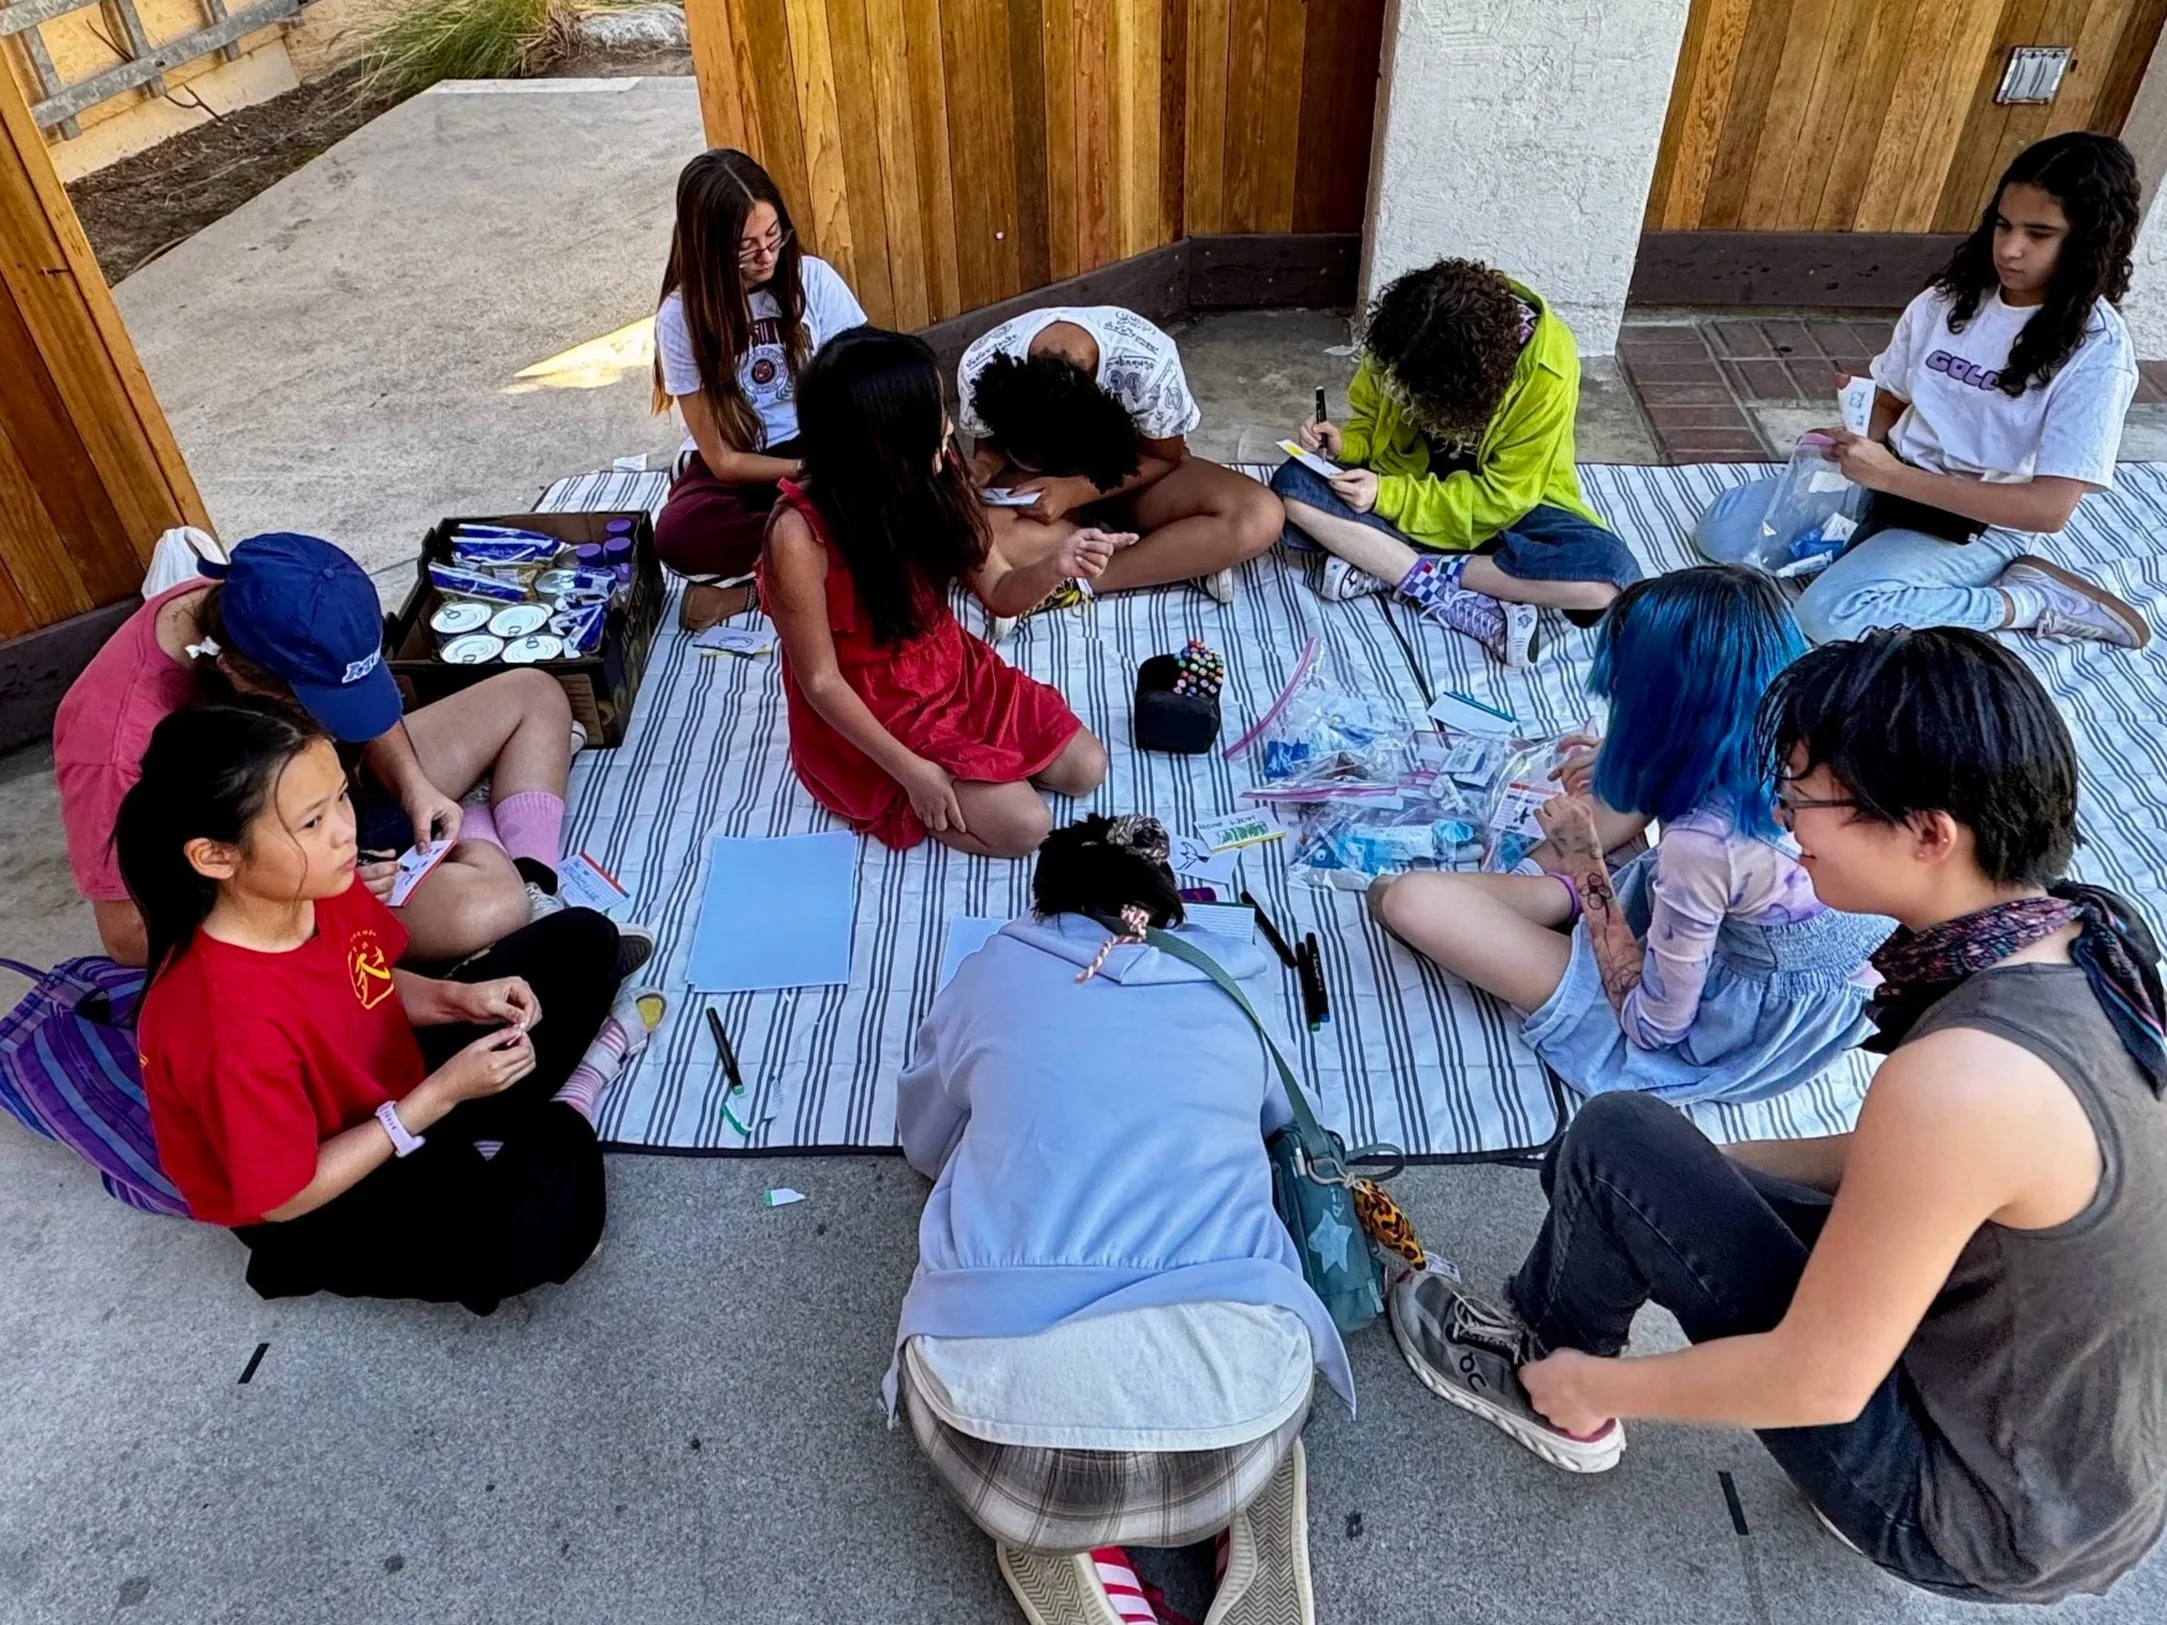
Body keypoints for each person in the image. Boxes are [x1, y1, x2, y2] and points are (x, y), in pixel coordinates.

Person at [1390, 628, 2167, 1603]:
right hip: (2073, 1462)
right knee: (1625, 1153)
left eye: (1806, 797)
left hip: (1971, 1509)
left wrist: (1607, 1387)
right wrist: (1679, 1181)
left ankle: (1549, 1382)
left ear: (1929, 832)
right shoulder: (2082, 934)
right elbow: (1889, 1164)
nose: (1787, 820)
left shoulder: (1962, 1077)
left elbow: (1818, 1382)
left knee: (1615, 1133)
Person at [890, 814, 1351, 1625]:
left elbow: (923, 1141)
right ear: (1167, 911)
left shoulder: (992, 967)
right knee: (1257, 1372)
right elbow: (1278, 1116)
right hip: (1233, 1430)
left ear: (1045, 904)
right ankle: (1243, 1516)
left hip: (992, 1444)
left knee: (970, 1190)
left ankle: (1066, 1547)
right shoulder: (1234, 973)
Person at [119, 703, 662, 1312]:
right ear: (217, 856)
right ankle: (572, 1097)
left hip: (393, 1085)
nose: (347, 832)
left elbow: (369, 979)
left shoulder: (319, 881)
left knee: (585, 940)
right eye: (311, 821)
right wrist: (441, 1097)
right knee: (519, 1237)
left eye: (342, 800)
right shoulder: (219, 1025)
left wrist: (456, 999)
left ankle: (505, 1132)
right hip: (326, 1186)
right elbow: (284, 1196)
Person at [1374, 566, 1886, 1105]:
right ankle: (1554, 894)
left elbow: (1652, 1026)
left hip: (1721, 1026)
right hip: (1791, 956)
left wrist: (1587, 868)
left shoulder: (1704, 846)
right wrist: (1632, 764)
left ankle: (1563, 895)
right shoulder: (1805, 739)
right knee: (1415, 893)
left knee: (1399, 898)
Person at [51, 532, 644, 971]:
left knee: (535, 692)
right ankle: (498, 868)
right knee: (487, 909)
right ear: (235, 674)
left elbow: (366, 711)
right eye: (320, 709)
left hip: (331, 799)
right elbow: (128, 935)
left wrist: (415, 785)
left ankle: (535, 883)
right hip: (283, 868)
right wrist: (314, 891)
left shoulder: (246, 604)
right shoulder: (114, 745)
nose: (339, 727)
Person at [1696, 132, 2147, 649]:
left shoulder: (2097, 350)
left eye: (2039, 234)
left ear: (2089, 241)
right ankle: (1869, 552)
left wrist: (1892, 477)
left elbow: (2049, 509)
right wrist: (1855, 433)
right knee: (1724, 533)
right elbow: (1893, 401)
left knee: (1829, 616)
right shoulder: (1950, 298)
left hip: (1976, 521)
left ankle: (2027, 600)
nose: (2011, 248)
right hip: (1887, 480)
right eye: (2003, 225)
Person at [761, 326, 1109, 858]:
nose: (948, 428)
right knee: (1025, 828)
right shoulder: (799, 534)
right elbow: (820, 681)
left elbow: (996, 588)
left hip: (949, 669)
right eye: (932, 415)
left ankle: (974, 775)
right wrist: (915, 773)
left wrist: (1058, 565)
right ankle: (919, 788)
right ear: (882, 442)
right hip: (870, 707)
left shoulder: (935, 471)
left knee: (1087, 769)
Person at [1274, 259, 1642, 668]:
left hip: (1507, 515)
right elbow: (1370, 422)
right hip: (1407, 489)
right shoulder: (1405, 332)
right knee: (1291, 488)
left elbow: (1504, 499)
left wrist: (1386, 496)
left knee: (1609, 578)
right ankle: (1445, 583)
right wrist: (1348, 444)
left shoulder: (1548, 370)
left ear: (1462, 389)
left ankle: (1394, 568)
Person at [956, 304, 1283, 629]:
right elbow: (990, 447)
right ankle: (1176, 559)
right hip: (1039, 493)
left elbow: (1165, 457)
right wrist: (985, 466)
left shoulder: (1149, 361)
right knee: (969, 530)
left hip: (1136, 475)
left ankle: (1081, 579)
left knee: (1258, 515)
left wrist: (1076, 490)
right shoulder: (983, 364)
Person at [652, 148, 866, 632]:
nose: (767, 256)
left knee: (922, 474)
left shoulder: (812, 278)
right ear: (706, 248)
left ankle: (780, 576)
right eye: (746, 248)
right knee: (678, 535)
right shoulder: (680, 317)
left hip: (822, 443)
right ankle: (808, 571)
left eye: (774, 236)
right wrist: (807, 474)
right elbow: (724, 459)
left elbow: (865, 371)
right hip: (747, 468)